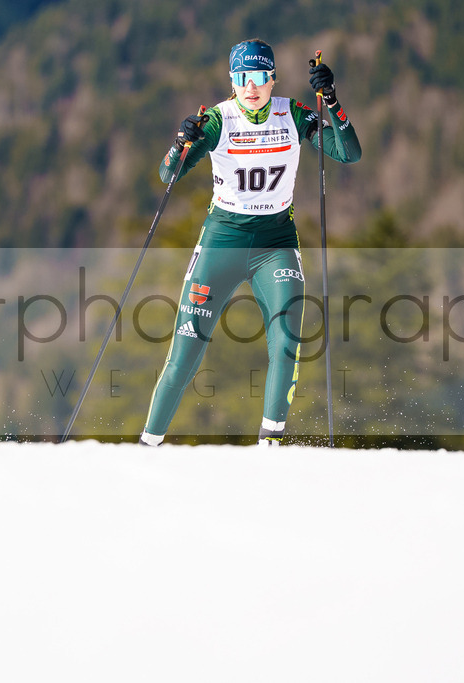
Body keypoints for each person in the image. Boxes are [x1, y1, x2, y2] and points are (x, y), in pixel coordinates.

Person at [139, 38, 362, 447]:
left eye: (260, 77)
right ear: (232, 81)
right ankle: (147, 448)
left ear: (273, 79)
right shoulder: (218, 121)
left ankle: (270, 447)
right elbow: (167, 174)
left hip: (275, 243)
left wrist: (331, 100)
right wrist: (180, 142)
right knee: (184, 358)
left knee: (287, 341)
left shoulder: (293, 114)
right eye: (243, 78)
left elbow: (348, 153)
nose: (252, 87)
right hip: (222, 242)